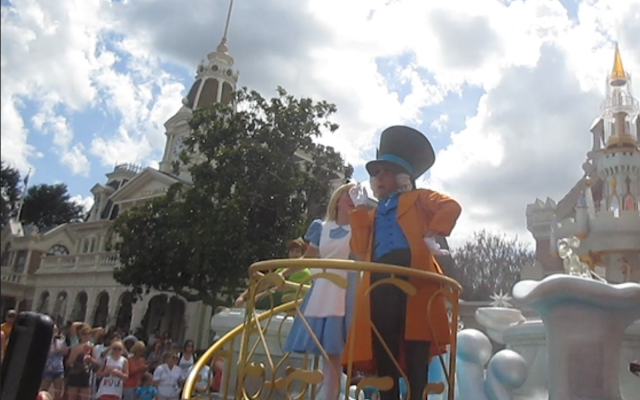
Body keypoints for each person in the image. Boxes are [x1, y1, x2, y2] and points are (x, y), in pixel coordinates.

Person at [343, 126, 461, 400]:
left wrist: (432, 233)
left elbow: (451, 206)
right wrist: (359, 213)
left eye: (385, 172)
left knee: (416, 339)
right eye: (375, 173)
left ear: (401, 176)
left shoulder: (418, 199)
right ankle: (389, 396)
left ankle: (417, 395)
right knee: (383, 338)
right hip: (380, 278)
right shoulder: (372, 212)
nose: (377, 178)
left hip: (414, 276)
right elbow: (360, 249)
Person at [281, 183, 358, 400]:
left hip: (345, 289)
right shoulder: (321, 227)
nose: (352, 198)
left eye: (356, 195)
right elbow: (308, 259)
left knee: (336, 350)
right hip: (323, 289)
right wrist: (282, 274)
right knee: (326, 350)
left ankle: (331, 396)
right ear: (338, 199)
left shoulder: (361, 227)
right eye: (348, 194)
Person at [234, 238, 312, 309]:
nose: (294, 254)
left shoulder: (304, 271)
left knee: (269, 298)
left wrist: (258, 297)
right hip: (277, 309)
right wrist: (243, 297)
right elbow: (265, 283)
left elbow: (281, 289)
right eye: (292, 251)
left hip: (296, 309)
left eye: (297, 251)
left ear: (302, 255)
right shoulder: (282, 269)